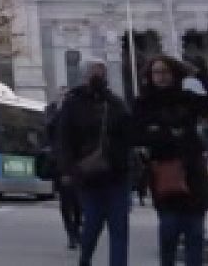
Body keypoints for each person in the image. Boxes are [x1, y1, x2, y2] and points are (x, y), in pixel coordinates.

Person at [134, 54, 208, 266]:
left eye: (165, 72)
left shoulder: (187, 98)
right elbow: (135, 135)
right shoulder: (144, 103)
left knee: (195, 233)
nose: (161, 77)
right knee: (169, 232)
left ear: (174, 73)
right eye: (156, 72)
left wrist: (200, 75)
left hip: (192, 171)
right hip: (164, 171)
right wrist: (163, 134)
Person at [55, 59, 134, 266]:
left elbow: (129, 135)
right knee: (92, 226)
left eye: (101, 72)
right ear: (85, 76)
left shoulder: (115, 103)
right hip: (89, 175)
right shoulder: (73, 103)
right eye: (93, 72)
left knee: (119, 228)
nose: (98, 76)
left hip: (116, 174)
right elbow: (64, 138)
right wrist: (67, 170)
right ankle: (85, 258)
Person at [46, 86, 84, 249]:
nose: (65, 97)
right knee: (66, 200)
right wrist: (60, 109)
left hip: (78, 162)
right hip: (61, 163)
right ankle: (71, 233)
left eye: (67, 95)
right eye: (62, 94)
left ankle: (77, 226)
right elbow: (48, 128)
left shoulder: (78, 112)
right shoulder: (52, 110)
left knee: (78, 201)